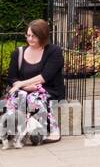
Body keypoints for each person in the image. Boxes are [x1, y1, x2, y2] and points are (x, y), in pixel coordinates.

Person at [3, 19, 65, 148]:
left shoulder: (54, 52)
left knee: (34, 98)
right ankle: (10, 131)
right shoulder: (18, 53)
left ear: (43, 36)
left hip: (47, 89)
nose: (30, 39)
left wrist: (22, 85)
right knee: (18, 96)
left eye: (34, 36)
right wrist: (24, 87)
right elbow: (12, 78)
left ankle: (48, 131)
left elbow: (45, 77)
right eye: (28, 35)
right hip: (25, 89)